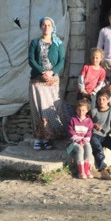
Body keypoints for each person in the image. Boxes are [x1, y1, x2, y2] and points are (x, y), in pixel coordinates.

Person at [28, 16, 67, 150]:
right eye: (44, 25)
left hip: (52, 81)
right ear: (40, 27)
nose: (46, 27)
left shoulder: (58, 43)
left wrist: (52, 72)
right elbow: (31, 60)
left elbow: (61, 60)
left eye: (49, 25)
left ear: (53, 27)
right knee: (38, 109)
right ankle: (39, 138)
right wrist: (41, 72)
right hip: (37, 81)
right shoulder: (35, 43)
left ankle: (49, 138)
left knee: (51, 109)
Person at [67, 98, 94, 179]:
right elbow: (71, 132)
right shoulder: (73, 120)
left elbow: (89, 133)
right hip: (73, 143)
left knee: (88, 147)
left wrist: (84, 141)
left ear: (87, 110)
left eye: (83, 110)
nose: (81, 112)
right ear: (76, 110)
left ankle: (86, 169)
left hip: (84, 141)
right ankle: (81, 171)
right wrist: (78, 141)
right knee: (80, 149)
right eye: (79, 110)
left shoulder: (89, 121)